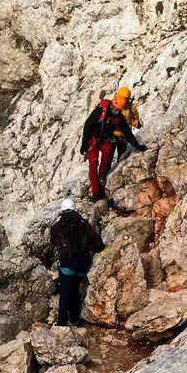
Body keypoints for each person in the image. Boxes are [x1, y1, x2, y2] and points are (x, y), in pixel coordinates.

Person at [47, 199, 105, 328]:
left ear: (62, 210)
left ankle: (62, 323)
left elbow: (54, 241)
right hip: (83, 263)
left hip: (68, 262)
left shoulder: (59, 225)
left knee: (66, 291)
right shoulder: (83, 223)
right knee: (75, 289)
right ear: (74, 209)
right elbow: (97, 242)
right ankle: (75, 319)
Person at [81, 96, 146, 200]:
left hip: (105, 140)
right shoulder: (99, 111)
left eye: (119, 110)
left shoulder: (119, 117)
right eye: (116, 110)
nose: (117, 112)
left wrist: (138, 146)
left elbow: (128, 133)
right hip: (92, 141)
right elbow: (88, 126)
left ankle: (102, 175)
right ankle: (95, 191)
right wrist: (83, 144)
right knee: (93, 165)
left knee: (107, 154)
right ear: (112, 105)